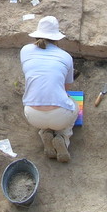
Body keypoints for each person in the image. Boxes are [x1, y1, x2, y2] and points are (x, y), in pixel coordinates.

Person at [20, 16, 79, 163]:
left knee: (44, 113)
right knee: (74, 105)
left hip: (33, 115)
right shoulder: (66, 57)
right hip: (60, 117)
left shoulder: (25, 51)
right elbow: (66, 89)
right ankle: (63, 137)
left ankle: (45, 132)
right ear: (57, 38)